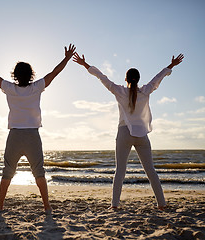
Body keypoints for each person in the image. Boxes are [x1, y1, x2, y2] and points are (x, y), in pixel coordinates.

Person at [73, 52, 184, 210]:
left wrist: (85, 64)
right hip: (142, 135)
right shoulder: (145, 90)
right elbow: (159, 77)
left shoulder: (120, 91)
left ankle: (115, 206)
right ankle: (162, 204)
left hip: (124, 133)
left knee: (120, 171)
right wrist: (171, 65)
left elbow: (101, 77)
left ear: (126, 79)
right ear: (138, 79)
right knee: (150, 171)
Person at [0, 44, 76, 213]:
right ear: (31, 75)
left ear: (15, 75)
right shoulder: (36, 87)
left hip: (15, 134)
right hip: (32, 135)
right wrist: (66, 58)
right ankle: (47, 206)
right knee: (39, 171)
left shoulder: (10, 88)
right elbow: (54, 72)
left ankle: (0, 205)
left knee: (7, 171)